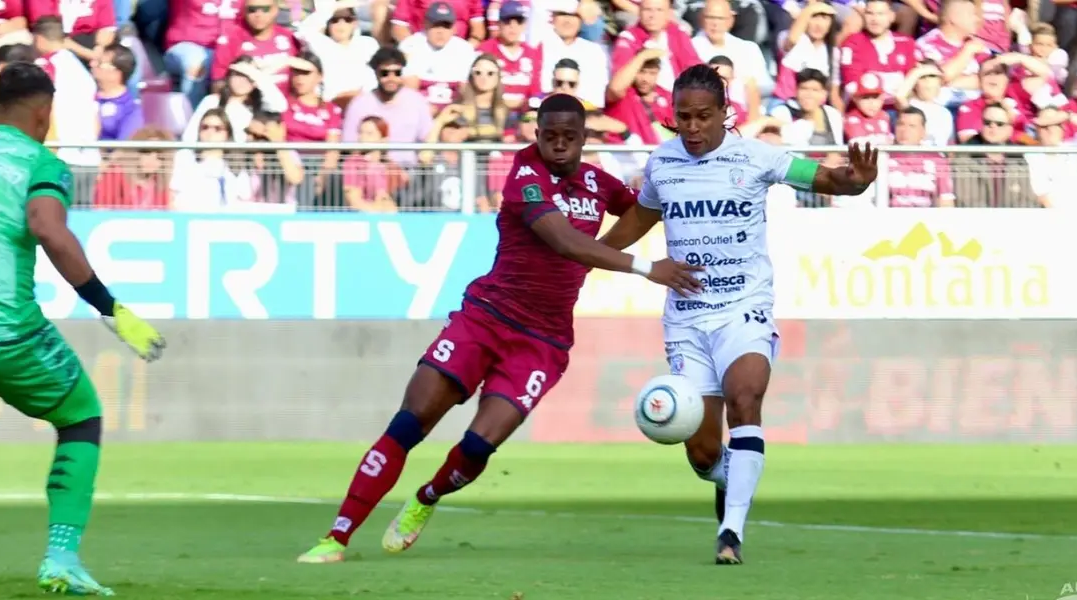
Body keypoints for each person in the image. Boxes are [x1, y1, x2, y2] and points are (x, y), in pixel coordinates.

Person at [296, 93, 704, 564]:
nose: (558, 146)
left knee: (477, 446)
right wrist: (645, 266)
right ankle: (337, 537)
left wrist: (673, 182)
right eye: (549, 136)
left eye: (568, 138)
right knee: (410, 423)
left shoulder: (597, 181)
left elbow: (642, 209)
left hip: (543, 343)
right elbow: (562, 239)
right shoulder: (525, 177)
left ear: (583, 138)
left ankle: (426, 498)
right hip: (485, 320)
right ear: (537, 134)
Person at [599, 63, 878, 565]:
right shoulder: (662, 165)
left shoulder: (755, 157)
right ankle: (729, 473)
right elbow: (635, 223)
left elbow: (824, 178)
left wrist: (854, 181)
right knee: (702, 454)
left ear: (725, 113)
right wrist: (586, 256)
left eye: (703, 116)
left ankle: (731, 533)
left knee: (744, 399)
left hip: (743, 308)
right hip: (686, 319)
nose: (692, 127)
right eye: (683, 117)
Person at [0, 61, 165, 595]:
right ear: (43, 111)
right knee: (80, 415)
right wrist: (110, 308)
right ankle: (61, 557)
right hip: (5, 329)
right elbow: (47, 229)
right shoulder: (39, 161)